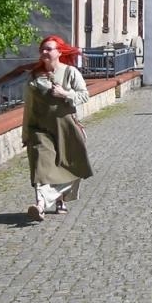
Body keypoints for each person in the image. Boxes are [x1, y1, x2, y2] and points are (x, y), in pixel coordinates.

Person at [18, 35, 91, 222]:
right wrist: (26, 133)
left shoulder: (70, 72)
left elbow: (84, 95)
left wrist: (65, 93)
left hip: (66, 126)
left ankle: (60, 199)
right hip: (40, 128)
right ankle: (40, 206)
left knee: (70, 166)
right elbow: (29, 107)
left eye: (49, 49)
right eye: (42, 49)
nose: (44, 52)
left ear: (59, 52)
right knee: (41, 166)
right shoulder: (33, 77)